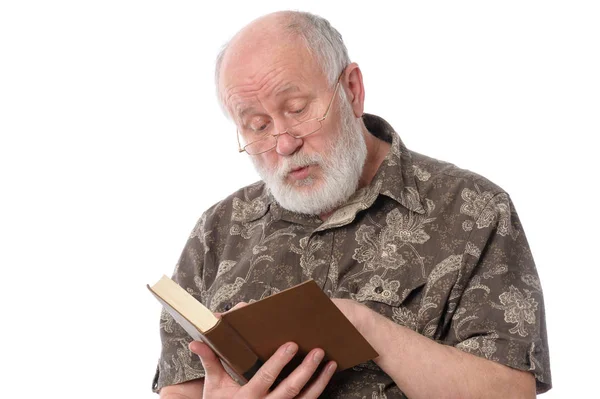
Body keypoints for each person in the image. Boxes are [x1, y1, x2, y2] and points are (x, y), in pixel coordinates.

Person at [153, 10, 552, 399]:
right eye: (257, 125)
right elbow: (182, 388)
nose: (284, 143)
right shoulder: (218, 230)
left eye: (297, 110)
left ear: (352, 89)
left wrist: (365, 325)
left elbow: (510, 393)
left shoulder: (474, 209)